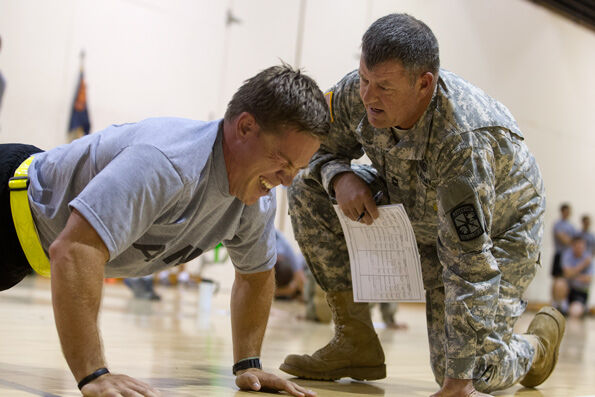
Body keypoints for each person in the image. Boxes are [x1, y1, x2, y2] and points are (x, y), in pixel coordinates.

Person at [0, 64, 328, 397]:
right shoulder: (166, 162)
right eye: (283, 161)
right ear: (245, 127)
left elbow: (255, 274)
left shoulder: (257, 198)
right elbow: (74, 250)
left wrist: (249, 364)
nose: (287, 181)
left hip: (23, 247)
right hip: (6, 200)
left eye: (297, 170)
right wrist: (94, 374)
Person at [281, 13, 565, 396]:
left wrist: (457, 383)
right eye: (364, 78)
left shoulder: (462, 139)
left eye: (383, 86)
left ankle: (536, 347)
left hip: (499, 232)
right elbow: (314, 147)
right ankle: (354, 340)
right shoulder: (356, 93)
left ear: (424, 83)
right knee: (305, 185)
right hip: (418, 207)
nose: (367, 96)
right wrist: (338, 175)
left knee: (473, 371)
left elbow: (471, 264)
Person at [560, 236, 593, 318]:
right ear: (573, 246)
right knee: (559, 283)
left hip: (581, 292)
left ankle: (581, 309)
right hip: (569, 290)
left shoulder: (589, 258)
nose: (580, 249)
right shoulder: (567, 254)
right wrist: (583, 265)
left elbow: (588, 279)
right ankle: (560, 305)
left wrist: (572, 274)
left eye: (582, 247)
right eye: (578, 246)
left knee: (574, 312)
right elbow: (566, 274)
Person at [551, 203, 576, 310]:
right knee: (556, 278)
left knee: (566, 278)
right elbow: (564, 239)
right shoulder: (557, 224)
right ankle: (554, 301)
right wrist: (569, 240)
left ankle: (563, 301)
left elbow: (574, 241)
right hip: (559, 254)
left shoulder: (571, 226)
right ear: (562, 212)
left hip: (568, 256)